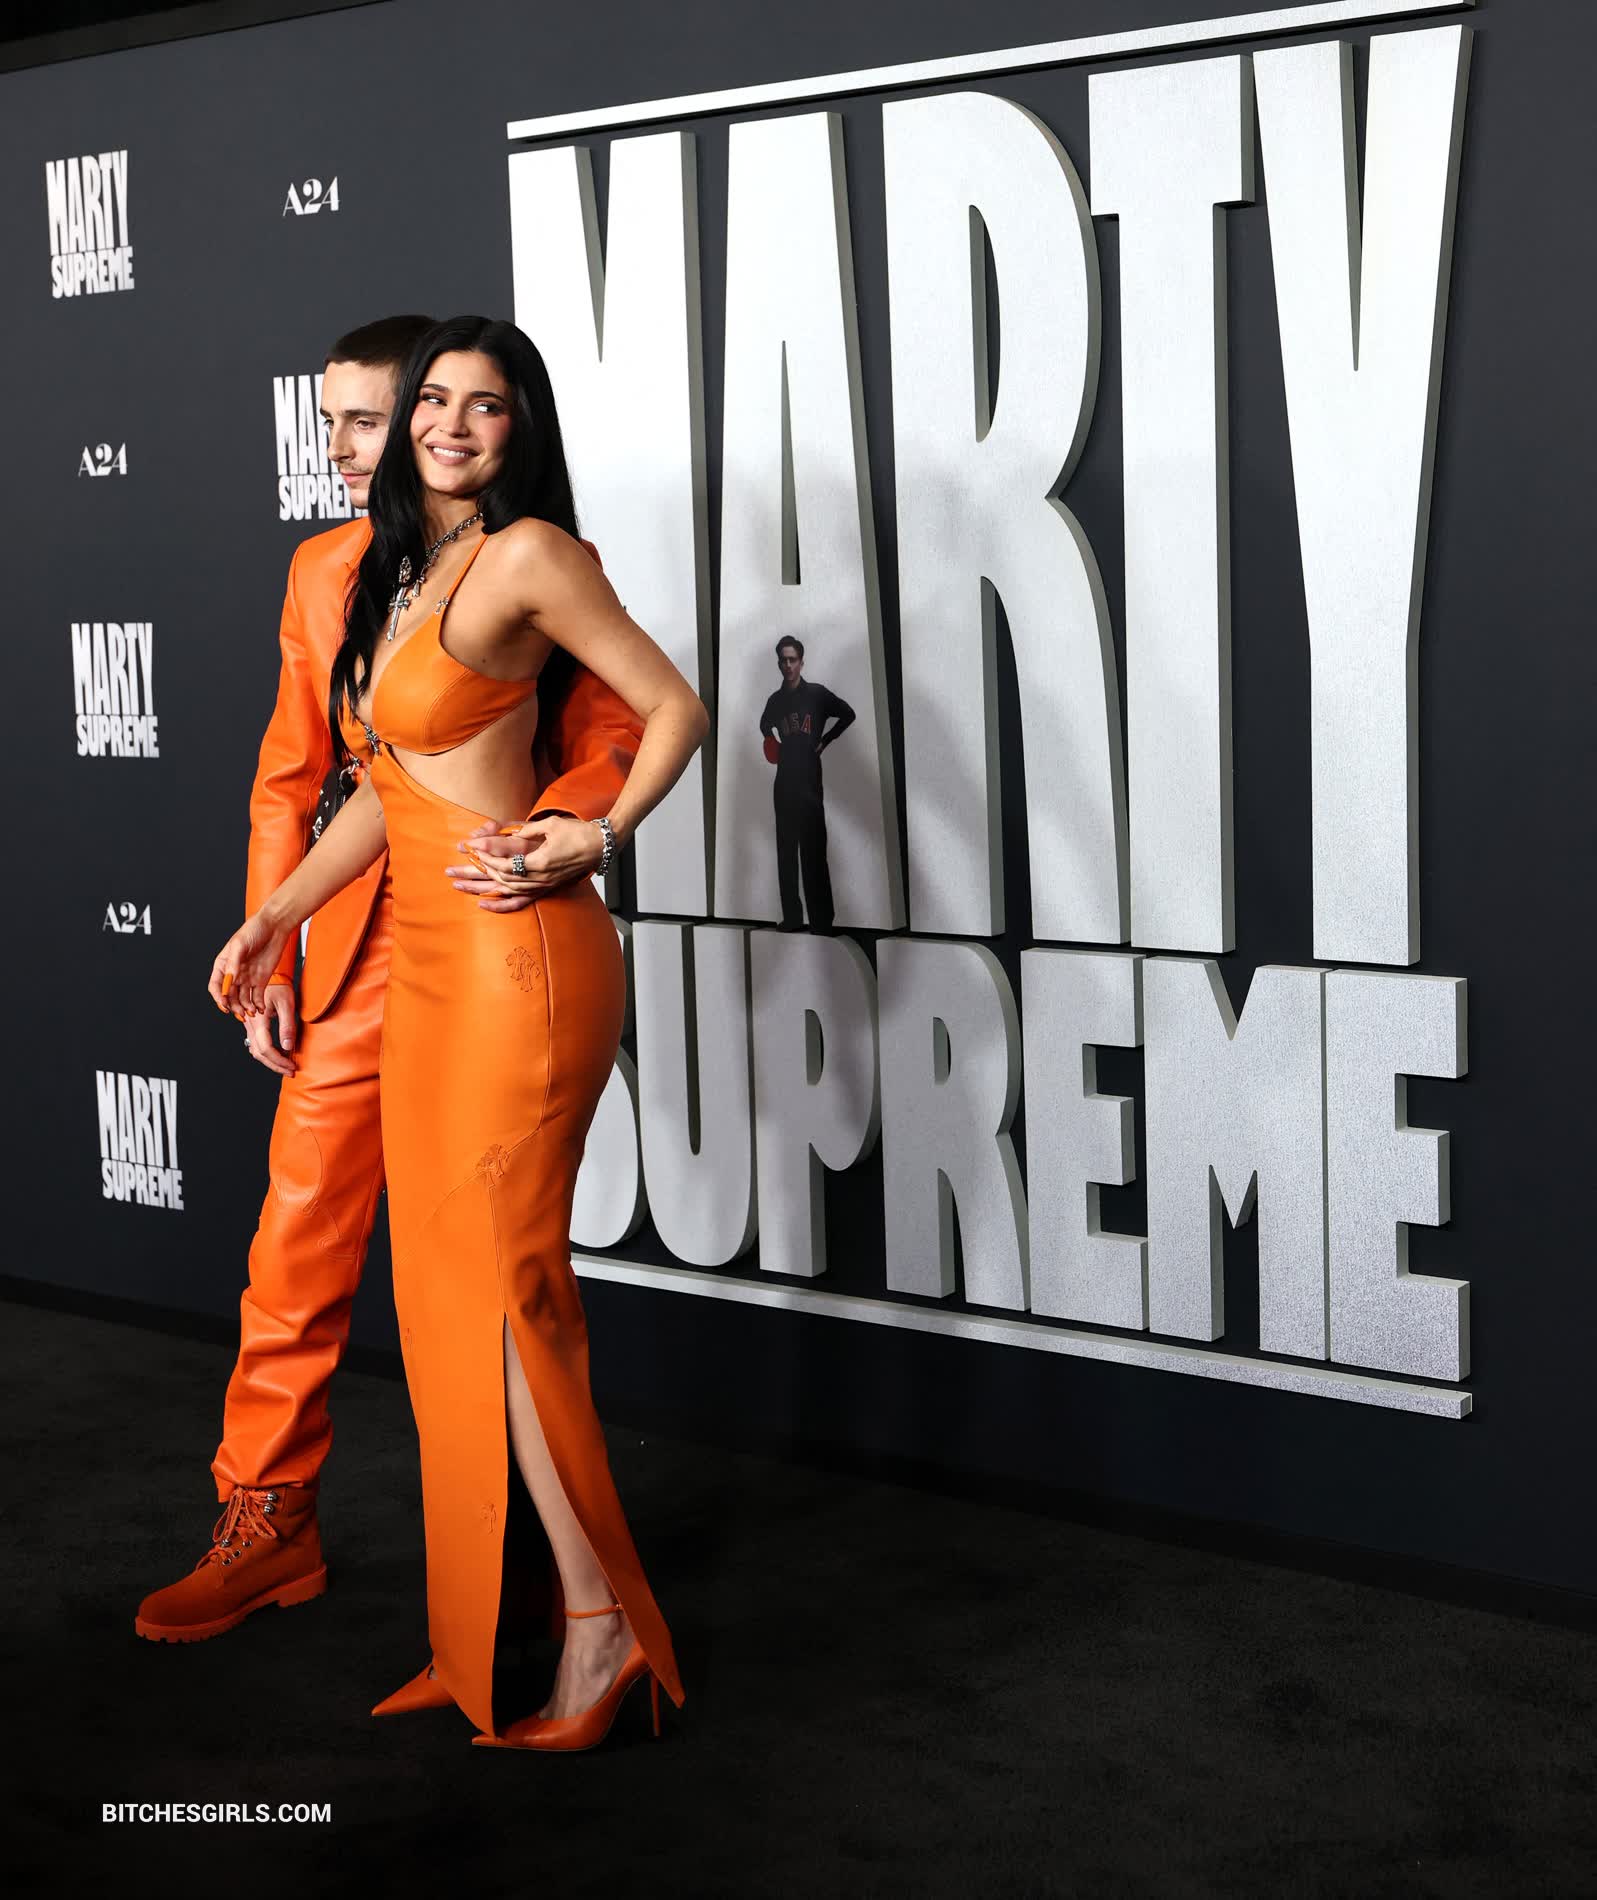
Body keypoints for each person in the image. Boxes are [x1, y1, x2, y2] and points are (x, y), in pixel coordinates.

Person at [206, 315, 708, 1751]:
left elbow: (673, 706)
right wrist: (278, 916)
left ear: (520, 427)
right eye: (433, 399)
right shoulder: (394, 570)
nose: (449, 425)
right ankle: (474, 1636)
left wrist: (595, 831)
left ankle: (605, 1632)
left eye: (486, 406)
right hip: (423, 967)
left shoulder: (531, 556)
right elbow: (387, 785)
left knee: (505, 1299)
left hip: (514, 967)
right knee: (439, 1306)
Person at [758, 636, 854, 931]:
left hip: (810, 781)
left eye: (792, 659)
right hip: (784, 782)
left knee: (814, 851)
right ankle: (792, 918)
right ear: (779, 663)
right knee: (786, 852)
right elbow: (764, 724)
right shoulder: (775, 701)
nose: (788, 665)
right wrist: (771, 741)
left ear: (801, 662)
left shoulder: (817, 694)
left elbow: (847, 714)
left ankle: (822, 921)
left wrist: (826, 739)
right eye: (783, 660)